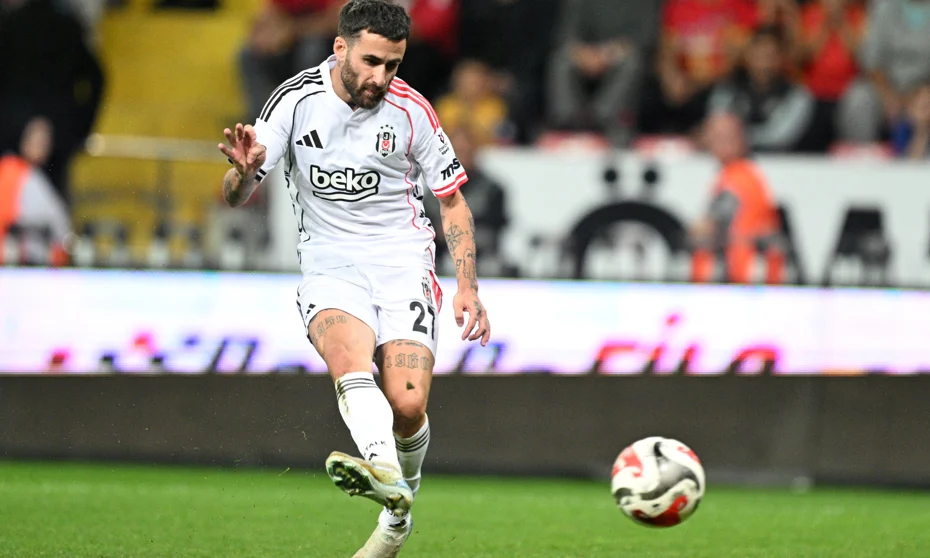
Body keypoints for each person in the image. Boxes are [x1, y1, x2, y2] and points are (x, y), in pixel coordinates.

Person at [217, 1, 491, 556]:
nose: (381, 77)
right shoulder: (295, 101)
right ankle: (384, 471)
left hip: (402, 262)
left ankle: (398, 513)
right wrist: (241, 176)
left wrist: (467, 286)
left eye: (392, 65)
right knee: (349, 358)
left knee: (408, 405)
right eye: (371, 62)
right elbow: (237, 193)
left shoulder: (412, 111)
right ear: (340, 47)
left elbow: (452, 202)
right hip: (330, 261)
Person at [690, 112, 784, 284]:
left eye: (726, 137)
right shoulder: (748, 174)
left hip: (743, 274)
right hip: (750, 272)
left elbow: (711, 224)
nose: (719, 143)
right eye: (715, 136)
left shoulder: (737, 177)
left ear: (742, 139)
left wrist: (697, 229)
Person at [707, 26, 815, 153]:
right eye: (759, 54)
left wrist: (735, 137)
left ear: (781, 58)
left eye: (770, 55)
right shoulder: (729, 87)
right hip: (732, 156)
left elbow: (780, 137)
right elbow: (717, 121)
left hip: (780, 160)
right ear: (748, 55)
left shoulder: (797, 94)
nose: (764, 63)